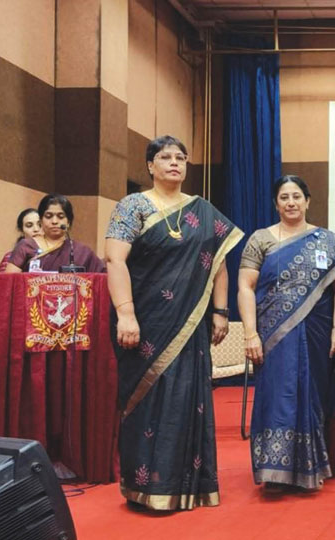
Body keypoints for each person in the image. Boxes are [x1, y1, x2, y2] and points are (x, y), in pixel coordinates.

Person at [105, 135, 243, 511]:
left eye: (180, 157)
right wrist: (125, 314)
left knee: (187, 399)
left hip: (190, 324)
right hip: (144, 322)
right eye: (165, 157)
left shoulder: (203, 211)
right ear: (150, 165)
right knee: (146, 401)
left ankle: (186, 487)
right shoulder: (133, 206)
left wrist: (220, 312)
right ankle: (144, 486)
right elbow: (115, 260)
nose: (174, 163)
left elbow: (218, 264)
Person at [238, 175, 335, 492]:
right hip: (272, 335)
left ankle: (308, 468)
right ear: (276, 204)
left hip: (317, 333)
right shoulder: (260, 240)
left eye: (296, 196)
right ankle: (273, 472)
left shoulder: (328, 243)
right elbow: (245, 287)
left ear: (307, 201)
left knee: (310, 394)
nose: (291, 202)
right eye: (284, 197)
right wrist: (250, 333)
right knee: (276, 395)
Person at [6, 194, 105, 273]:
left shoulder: (81, 252)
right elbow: (10, 282)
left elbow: (102, 278)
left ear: (68, 222)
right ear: (41, 220)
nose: (54, 221)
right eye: (48, 216)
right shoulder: (26, 246)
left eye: (60, 216)